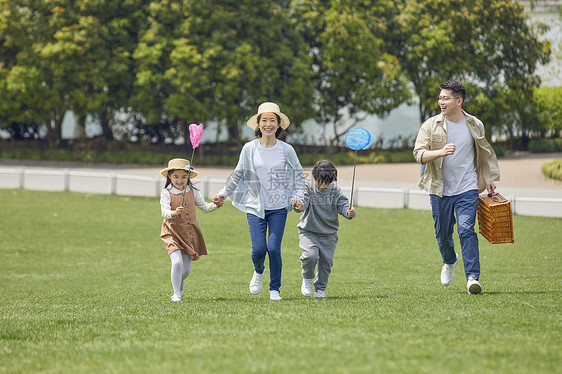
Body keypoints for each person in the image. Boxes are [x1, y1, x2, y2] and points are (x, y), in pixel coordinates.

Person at [413, 80, 500, 294]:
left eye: (446, 98)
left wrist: (488, 178)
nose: (441, 101)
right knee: (443, 235)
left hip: (467, 187)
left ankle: (472, 277)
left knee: (466, 230)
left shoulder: (475, 124)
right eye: (440, 98)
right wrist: (440, 152)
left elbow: (484, 153)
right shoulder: (430, 125)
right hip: (440, 189)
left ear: (459, 101)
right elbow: (419, 154)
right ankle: (449, 260)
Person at [213, 102, 304, 301]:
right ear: (259, 124)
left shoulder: (286, 150)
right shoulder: (249, 148)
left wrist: (299, 198)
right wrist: (223, 193)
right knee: (259, 250)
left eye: (273, 120)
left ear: (279, 125)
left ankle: (275, 290)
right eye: (265, 120)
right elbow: (238, 174)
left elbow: (299, 176)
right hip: (255, 206)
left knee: (273, 249)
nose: (268, 124)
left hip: (279, 206)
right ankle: (258, 270)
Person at [159, 158, 222, 302]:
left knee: (186, 270)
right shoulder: (166, 193)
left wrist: (217, 205)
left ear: (188, 177)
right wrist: (174, 213)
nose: (180, 180)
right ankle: (176, 294)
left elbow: (205, 208)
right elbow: (164, 212)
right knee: (177, 263)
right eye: (176, 176)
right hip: (172, 232)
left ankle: (180, 283)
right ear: (169, 176)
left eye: (183, 176)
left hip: (188, 233)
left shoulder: (192, 191)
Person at [292, 160, 356, 298]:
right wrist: (300, 206)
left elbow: (343, 205)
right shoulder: (307, 186)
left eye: (326, 183)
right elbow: (303, 199)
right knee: (310, 256)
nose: (322, 186)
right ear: (314, 176)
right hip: (308, 231)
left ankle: (320, 289)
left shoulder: (335, 191)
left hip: (329, 234)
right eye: (319, 182)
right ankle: (307, 279)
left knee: (326, 263)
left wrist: (349, 212)